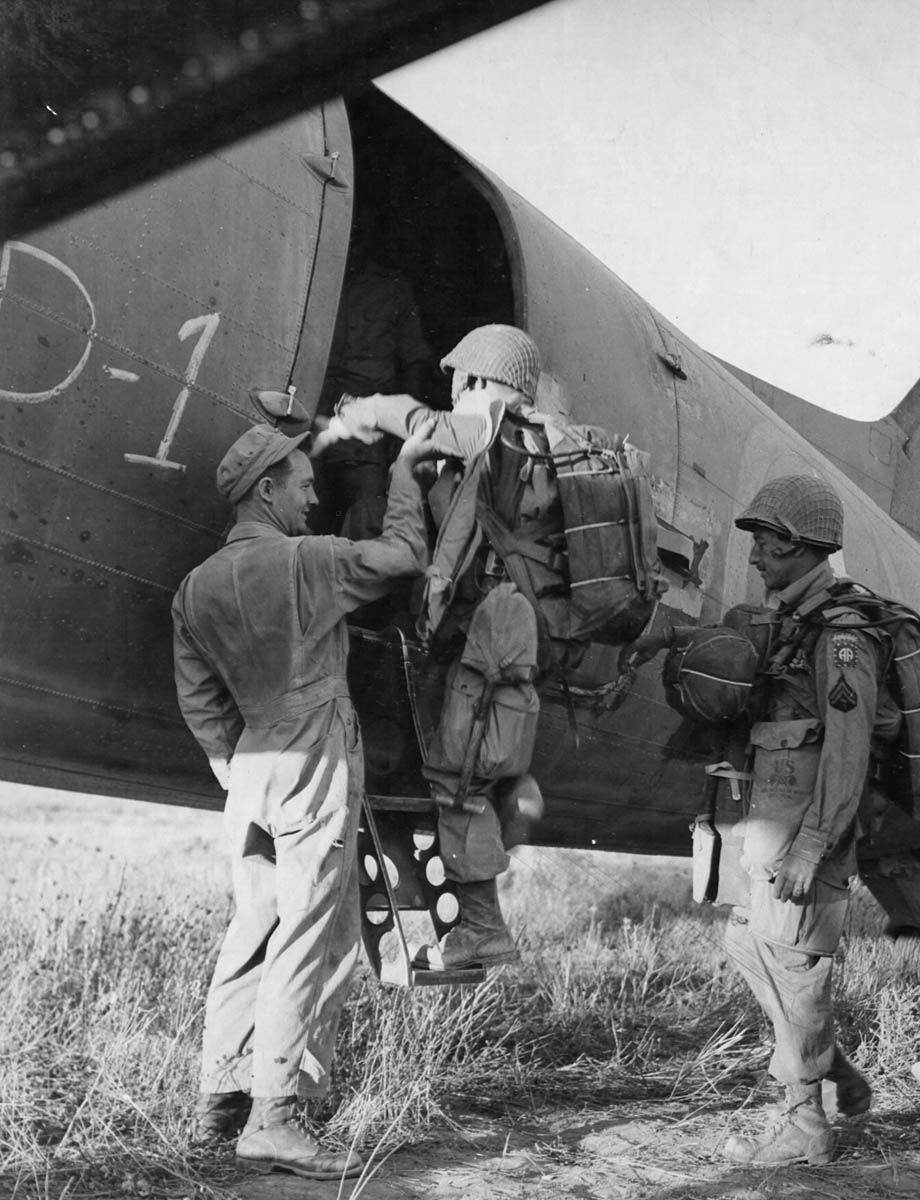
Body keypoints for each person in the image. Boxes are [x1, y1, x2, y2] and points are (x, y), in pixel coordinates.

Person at [312, 324, 631, 972]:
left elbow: (424, 422)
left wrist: (358, 413)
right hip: (521, 628)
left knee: (459, 778)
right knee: (489, 762)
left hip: (486, 626)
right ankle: (516, 800)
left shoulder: (490, 424)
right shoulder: (545, 440)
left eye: (459, 377)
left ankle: (482, 929)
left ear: (481, 381)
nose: (452, 387)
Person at [172, 419, 438, 1178]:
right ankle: (275, 1116)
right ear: (266, 489)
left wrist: (240, 767)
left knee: (253, 925)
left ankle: (218, 1100)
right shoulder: (306, 561)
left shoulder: (197, 587)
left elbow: (199, 703)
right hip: (313, 755)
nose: (315, 495)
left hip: (252, 765)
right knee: (314, 935)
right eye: (301, 484)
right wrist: (409, 474)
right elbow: (403, 557)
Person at [625, 475, 881, 1166]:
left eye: (768, 543)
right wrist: (672, 635)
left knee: (796, 968)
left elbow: (849, 753)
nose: (758, 556)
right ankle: (825, 1064)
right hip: (770, 829)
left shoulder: (844, 636)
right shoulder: (793, 617)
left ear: (800, 546)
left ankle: (805, 1128)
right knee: (748, 945)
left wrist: (814, 849)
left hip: (805, 837)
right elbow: (749, 650)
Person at [312, 234, 434, 539]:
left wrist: (404, 430)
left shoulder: (392, 290)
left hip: (366, 427)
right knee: (307, 515)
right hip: (314, 414)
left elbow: (415, 362)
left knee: (365, 518)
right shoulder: (320, 277)